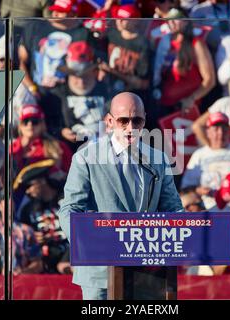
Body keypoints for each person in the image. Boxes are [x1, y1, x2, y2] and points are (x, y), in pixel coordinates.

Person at [58, 92, 184, 300]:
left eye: (137, 120)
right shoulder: (86, 158)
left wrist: (186, 232)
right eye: (123, 120)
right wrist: (87, 241)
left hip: (147, 272)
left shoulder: (158, 159)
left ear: (145, 120)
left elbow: (173, 208)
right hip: (100, 272)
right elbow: (70, 209)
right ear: (109, 122)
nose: (130, 127)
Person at [18, 0, 93, 136]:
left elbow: (88, 67)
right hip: (37, 94)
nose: (55, 13)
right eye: (54, 9)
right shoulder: (35, 27)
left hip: (68, 100)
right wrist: (31, 88)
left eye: (61, 10)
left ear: (73, 13)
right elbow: (20, 61)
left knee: (70, 138)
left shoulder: (84, 33)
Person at [152, 8, 215, 117]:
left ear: (186, 21)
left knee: (179, 134)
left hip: (186, 108)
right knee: (164, 134)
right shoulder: (164, 43)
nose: (171, 23)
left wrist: (191, 99)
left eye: (176, 19)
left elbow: (210, 80)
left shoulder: (196, 44)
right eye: (169, 20)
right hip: (164, 106)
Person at [14, 159, 69, 274]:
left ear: (41, 181)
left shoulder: (67, 200)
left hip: (72, 256)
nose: (28, 192)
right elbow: (26, 238)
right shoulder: (28, 210)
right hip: (45, 262)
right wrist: (34, 237)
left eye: (29, 186)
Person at [54, 40, 110, 147]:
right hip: (73, 151)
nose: (81, 82)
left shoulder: (107, 90)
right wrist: (62, 132)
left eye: (85, 75)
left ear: (94, 71)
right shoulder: (58, 94)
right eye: (76, 76)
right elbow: (49, 126)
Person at [99, 4, 151, 99]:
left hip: (132, 93)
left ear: (135, 21)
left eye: (124, 19)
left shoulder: (142, 43)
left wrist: (113, 72)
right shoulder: (112, 35)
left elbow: (142, 82)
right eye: (118, 18)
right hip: (109, 87)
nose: (119, 22)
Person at [11, 104, 73, 178]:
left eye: (35, 121)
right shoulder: (11, 148)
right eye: (26, 121)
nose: (30, 124)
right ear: (20, 125)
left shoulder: (59, 147)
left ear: (42, 124)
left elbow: (72, 176)